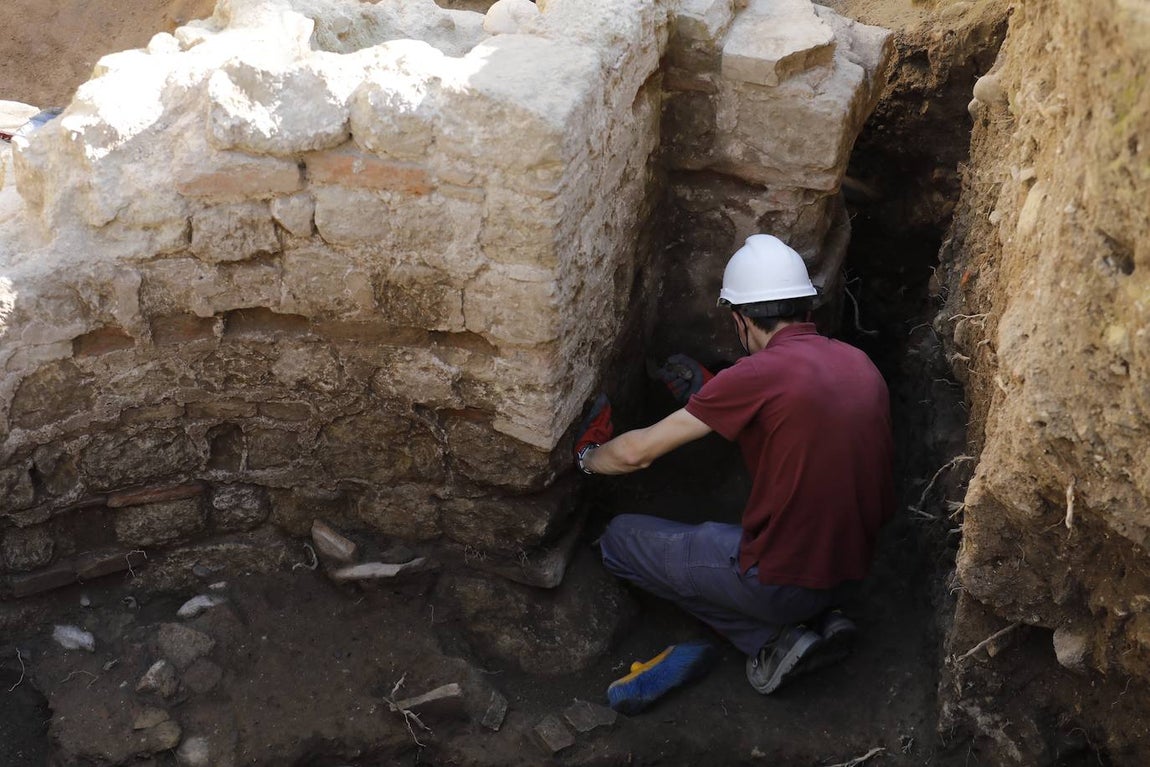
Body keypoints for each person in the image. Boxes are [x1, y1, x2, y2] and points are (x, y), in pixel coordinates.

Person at [575, 234, 894, 709]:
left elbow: (636, 453)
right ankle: (818, 620)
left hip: (783, 582)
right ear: (805, 308)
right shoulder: (858, 363)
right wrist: (709, 392)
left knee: (620, 540)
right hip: (850, 568)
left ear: (741, 319)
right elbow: (789, 426)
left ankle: (772, 639)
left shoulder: (757, 375)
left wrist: (588, 456)